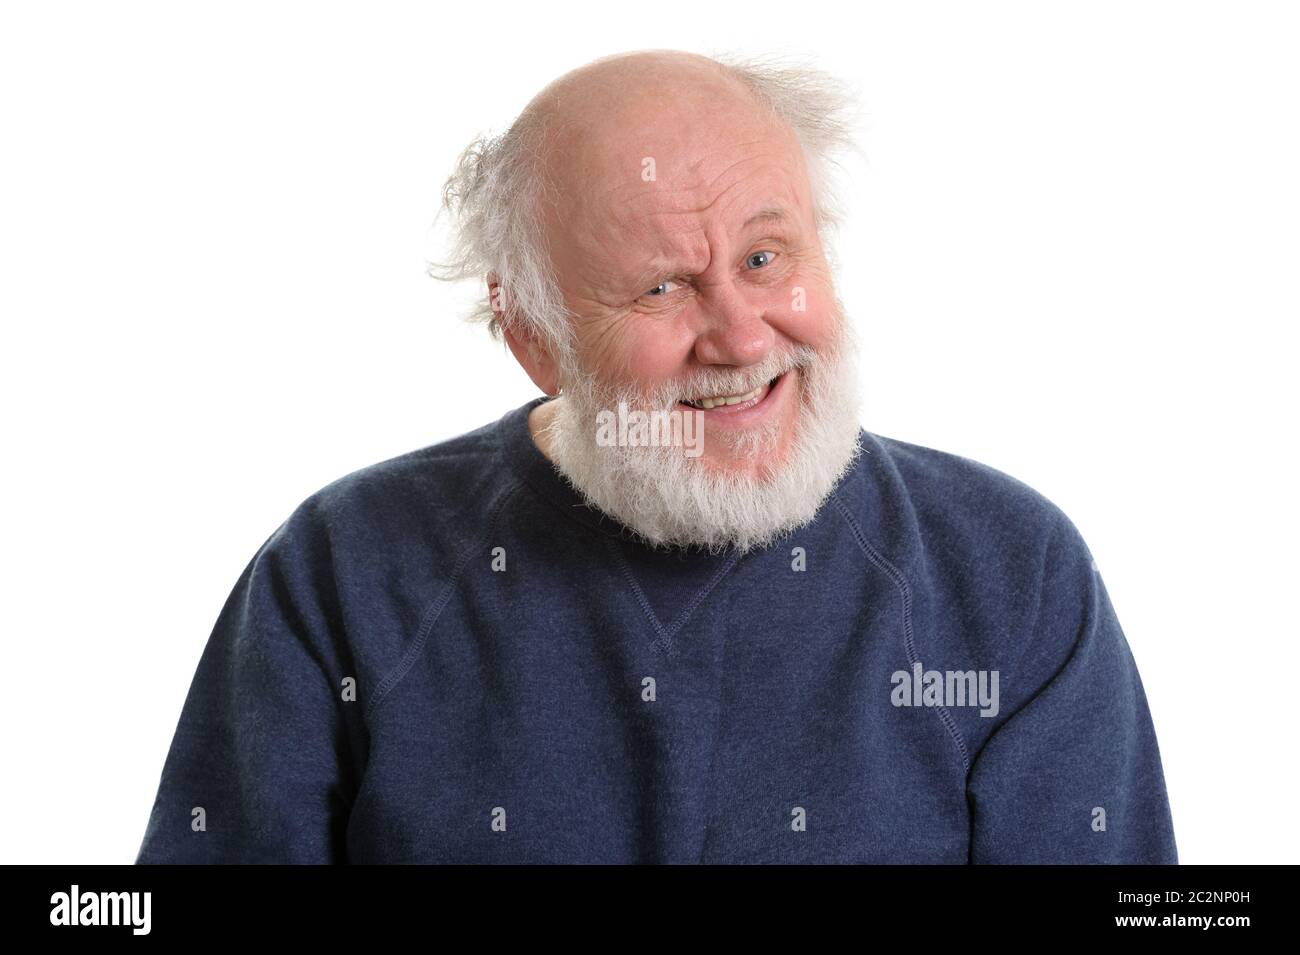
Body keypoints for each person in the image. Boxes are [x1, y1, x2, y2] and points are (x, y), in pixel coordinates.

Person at [136, 48, 1177, 863]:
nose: (740, 335)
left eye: (767, 257)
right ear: (534, 341)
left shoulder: (1009, 571)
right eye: (660, 287)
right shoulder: (344, 572)